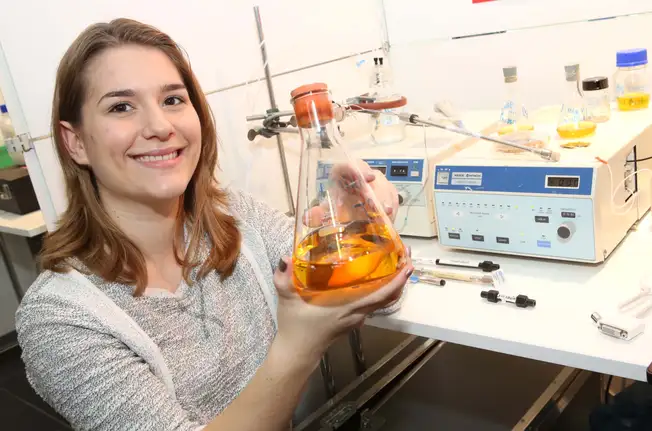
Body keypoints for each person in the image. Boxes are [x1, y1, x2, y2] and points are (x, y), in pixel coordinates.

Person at [15, 18, 413, 431]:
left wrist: (360, 223)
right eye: (121, 107)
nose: (159, 127)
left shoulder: (238, 220)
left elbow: (381, 296)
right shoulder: (60, 319)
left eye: (173, 100)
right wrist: (299, 345)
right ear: (75, 142)